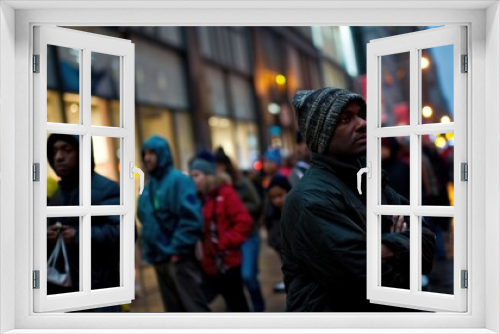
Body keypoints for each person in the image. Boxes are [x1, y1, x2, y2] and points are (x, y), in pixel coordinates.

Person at [281, 87, 436, 312]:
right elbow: (375, 281)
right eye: (346, 118)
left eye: (360, 115)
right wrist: (400, 242)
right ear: (322, 134)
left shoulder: (368, 181)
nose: (362, 123)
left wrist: (386, 246)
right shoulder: (310, 200)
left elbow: (428, 242)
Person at [46, 134, 121, 312]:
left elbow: (124, 233)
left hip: (99, 293)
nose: (59, 157)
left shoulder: (106, 189)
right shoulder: (57, 195)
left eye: (67, 150)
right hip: (63, 292)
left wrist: (79, 236)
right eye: (55, 150)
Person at [137, 135, 210, 312]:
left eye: (152, 153)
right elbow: (144, 216)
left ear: (162, 154)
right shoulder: (149, 186)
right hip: (159, 259)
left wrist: (176, 249)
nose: (147, 157)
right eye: (145, 153)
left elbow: (191, 219)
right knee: (174, 312)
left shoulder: (179, 180)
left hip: (178, 259)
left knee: (194, 309)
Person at [189, 157, 252, 312]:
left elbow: (244, 222)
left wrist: (225, 241)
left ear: (208, 175)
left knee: (237, 305)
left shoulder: (225, 192)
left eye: (197, 175)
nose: (193, 180)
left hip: (228, 261)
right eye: (191, 176)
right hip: (210, 263)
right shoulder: (199, 198)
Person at [214, 147, 265, 312]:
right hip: (231, 238)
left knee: (248, 276)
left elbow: (256, 203)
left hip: (249, 236)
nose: (218, 169)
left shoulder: (241, 182)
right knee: (237, 278)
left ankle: (258, 308)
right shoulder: (216, 188)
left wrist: (236, 207)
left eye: (221, 165)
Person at [263, 174, 292, 293]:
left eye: (280, 195)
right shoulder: (271, 212)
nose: (277, 200)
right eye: (273, 197)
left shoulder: (294, 209)